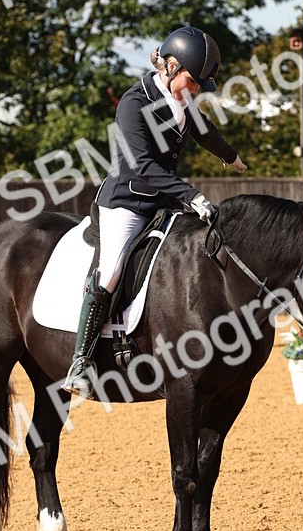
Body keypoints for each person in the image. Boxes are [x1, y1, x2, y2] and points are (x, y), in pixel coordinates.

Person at [63, 24, 247, 397]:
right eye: (194, 82)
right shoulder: (133, 104)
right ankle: (79, 361)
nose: (196, 90)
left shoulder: (180, 100)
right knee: (111, 271)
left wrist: (231, 156)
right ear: (171, 66)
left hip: (162, 201)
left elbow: (203, 129)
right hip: (126, 202)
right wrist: (191, 194)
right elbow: (144, 165)